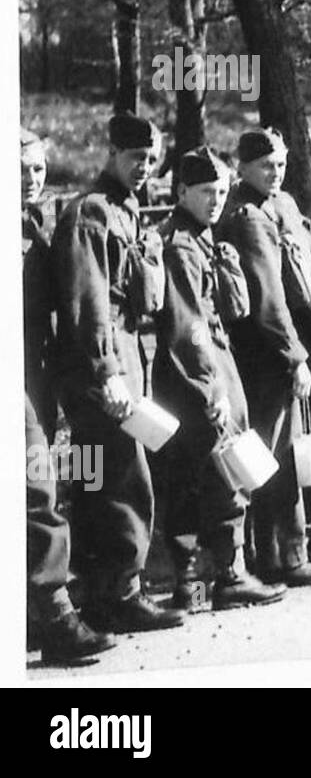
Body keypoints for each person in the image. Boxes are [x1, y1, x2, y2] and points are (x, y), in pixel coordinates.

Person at [53, 113, 183, 632]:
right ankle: (121, 592)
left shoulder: (128, 213)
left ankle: (104, 589)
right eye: (135, 159)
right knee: (122, 476)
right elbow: (87, 301)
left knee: (104, 475)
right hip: (102, 363)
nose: (144, 168)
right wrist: (106, 371)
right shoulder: (93, 213)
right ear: (111, 153)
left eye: (151, 160)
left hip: (129, 354)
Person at [153, 147, 286, 611]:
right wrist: (212, 388)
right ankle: (227, 575)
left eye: (222, 191)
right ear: (182, 191)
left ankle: (197, 579)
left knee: (201, 472)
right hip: (197, 375)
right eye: (206, 191)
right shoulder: (183, 247)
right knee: (218, 470)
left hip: (205, 367)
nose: (215, 200)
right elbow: (189, 326)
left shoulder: (202, 238)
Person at [216, 129, 311, 587]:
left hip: (268, 351)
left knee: (276, 451)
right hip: (265, 354)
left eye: (281, 163)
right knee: (276, 454)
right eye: (266, 164)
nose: (276, 172)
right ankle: (282, 556)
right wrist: (295, 357)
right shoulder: (249, 218)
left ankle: (278, 551)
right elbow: (270, 300)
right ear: (243, 167)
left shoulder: (273, 206)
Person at [24, 130, 117, 663]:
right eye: (19, 171)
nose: (31, 180)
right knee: (37, 488)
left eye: (37, 170)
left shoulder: (37, 224)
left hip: (39, 373)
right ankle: (56, 616)